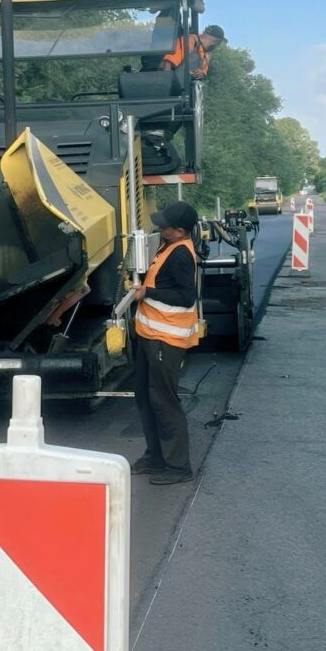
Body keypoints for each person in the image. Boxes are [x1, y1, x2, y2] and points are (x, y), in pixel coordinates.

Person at [131, 200, 201, 485]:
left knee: (163, 401)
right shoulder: (169, 246)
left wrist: (147, 291)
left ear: (180, 230)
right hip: (151, 336)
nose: (160, 227)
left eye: (165, 226)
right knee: (145, 398)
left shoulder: (182, 255)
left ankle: (177, 466)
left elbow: (186, 297)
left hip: (166, 339)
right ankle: (155, 457)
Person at [160, 24, 225, 79]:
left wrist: (201, 73)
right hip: (173, 88)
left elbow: (204, 71)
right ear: (216, 42)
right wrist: (167, 85)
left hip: (187, 90)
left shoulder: (206, 54)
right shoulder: (190, 40)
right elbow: (168, 62)